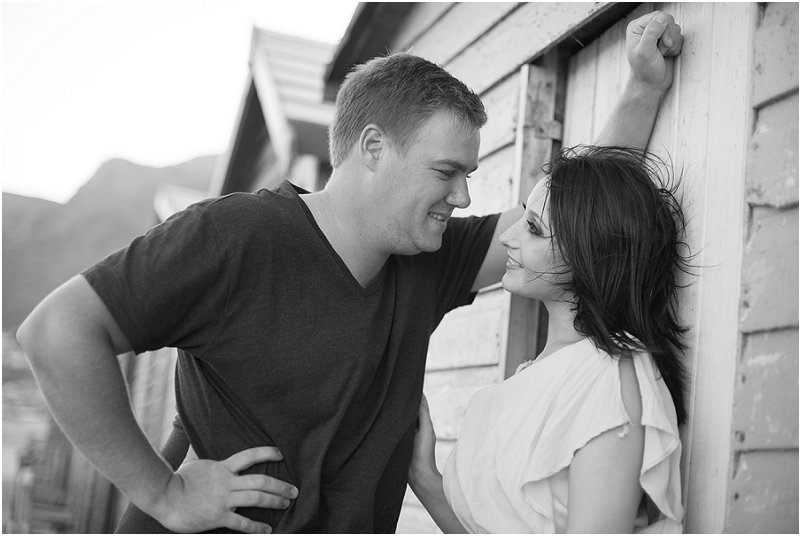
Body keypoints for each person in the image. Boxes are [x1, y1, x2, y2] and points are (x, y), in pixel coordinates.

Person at [16, 11, 683, 534]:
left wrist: (641, 87)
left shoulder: (427, 257)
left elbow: (576, 225)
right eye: (446, 172)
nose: (461, 197)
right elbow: (58, 332)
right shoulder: (238, 236)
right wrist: (162, 493)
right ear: (373, 149)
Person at [408, 145, 690, 533]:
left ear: (587, 253)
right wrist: (424, 477)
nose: (508, 237)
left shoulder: (611, 380)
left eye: (534, 228)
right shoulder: (541, 373)